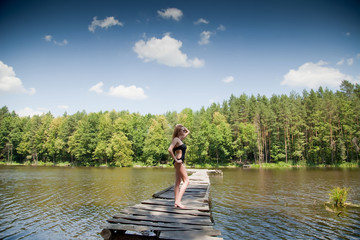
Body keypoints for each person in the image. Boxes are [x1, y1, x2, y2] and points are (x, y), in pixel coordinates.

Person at [168, 124, 190, 209]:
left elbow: (188, 131)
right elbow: (170, 149)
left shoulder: (180, 139)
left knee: (177, 182)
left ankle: (176, 202)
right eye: (182, 130)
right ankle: (178, 201)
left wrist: (181, 126)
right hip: (178, 162)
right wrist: (176, 160)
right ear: (178, 131)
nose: (184, 131)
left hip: (178, 162)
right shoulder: (176, 139)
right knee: (186, 181)